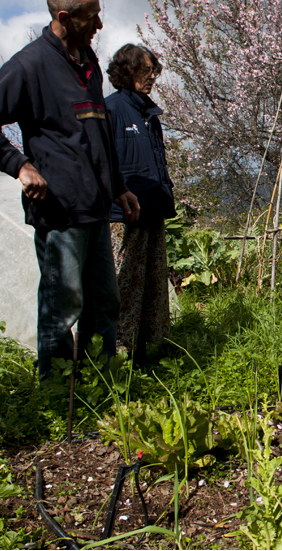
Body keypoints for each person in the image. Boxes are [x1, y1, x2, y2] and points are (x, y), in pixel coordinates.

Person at [0, 0, 140, 380]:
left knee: (103, 302)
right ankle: (58, 392)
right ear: (64, 16)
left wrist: (118, 187)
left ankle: (100, 386)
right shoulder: (30, 65)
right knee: (63, 305)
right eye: (91, 17)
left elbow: (98, 133)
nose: (99, 25)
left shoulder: (88, 63)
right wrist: (19, 165)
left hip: (94, 207)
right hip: (59, 210)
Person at [104, 45, 176, 365]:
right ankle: (116, 353)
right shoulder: (112, 109)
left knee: (151, 284)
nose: (151, 78)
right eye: (144, 71)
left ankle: (143, 351)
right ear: (126, 71)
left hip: (152, 210)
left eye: (153, 72)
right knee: (124, 285)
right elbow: (103, 162)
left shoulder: (150, 115)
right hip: (124, 214)